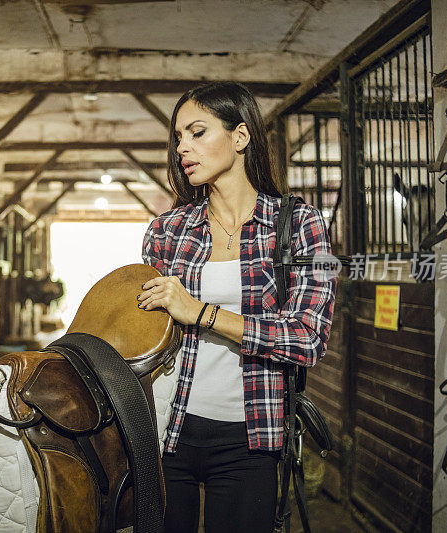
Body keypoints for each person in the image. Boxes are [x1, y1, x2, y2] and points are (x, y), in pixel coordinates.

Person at [137, 81, 336, 532]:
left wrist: (202, 313)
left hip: (251, 437)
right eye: (178, 137)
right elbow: (143, 335)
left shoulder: (299, 226)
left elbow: (308, 339)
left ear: (240, 137)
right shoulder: (166, 230)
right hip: (167, 431)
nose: (182, 147)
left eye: (197, 132)